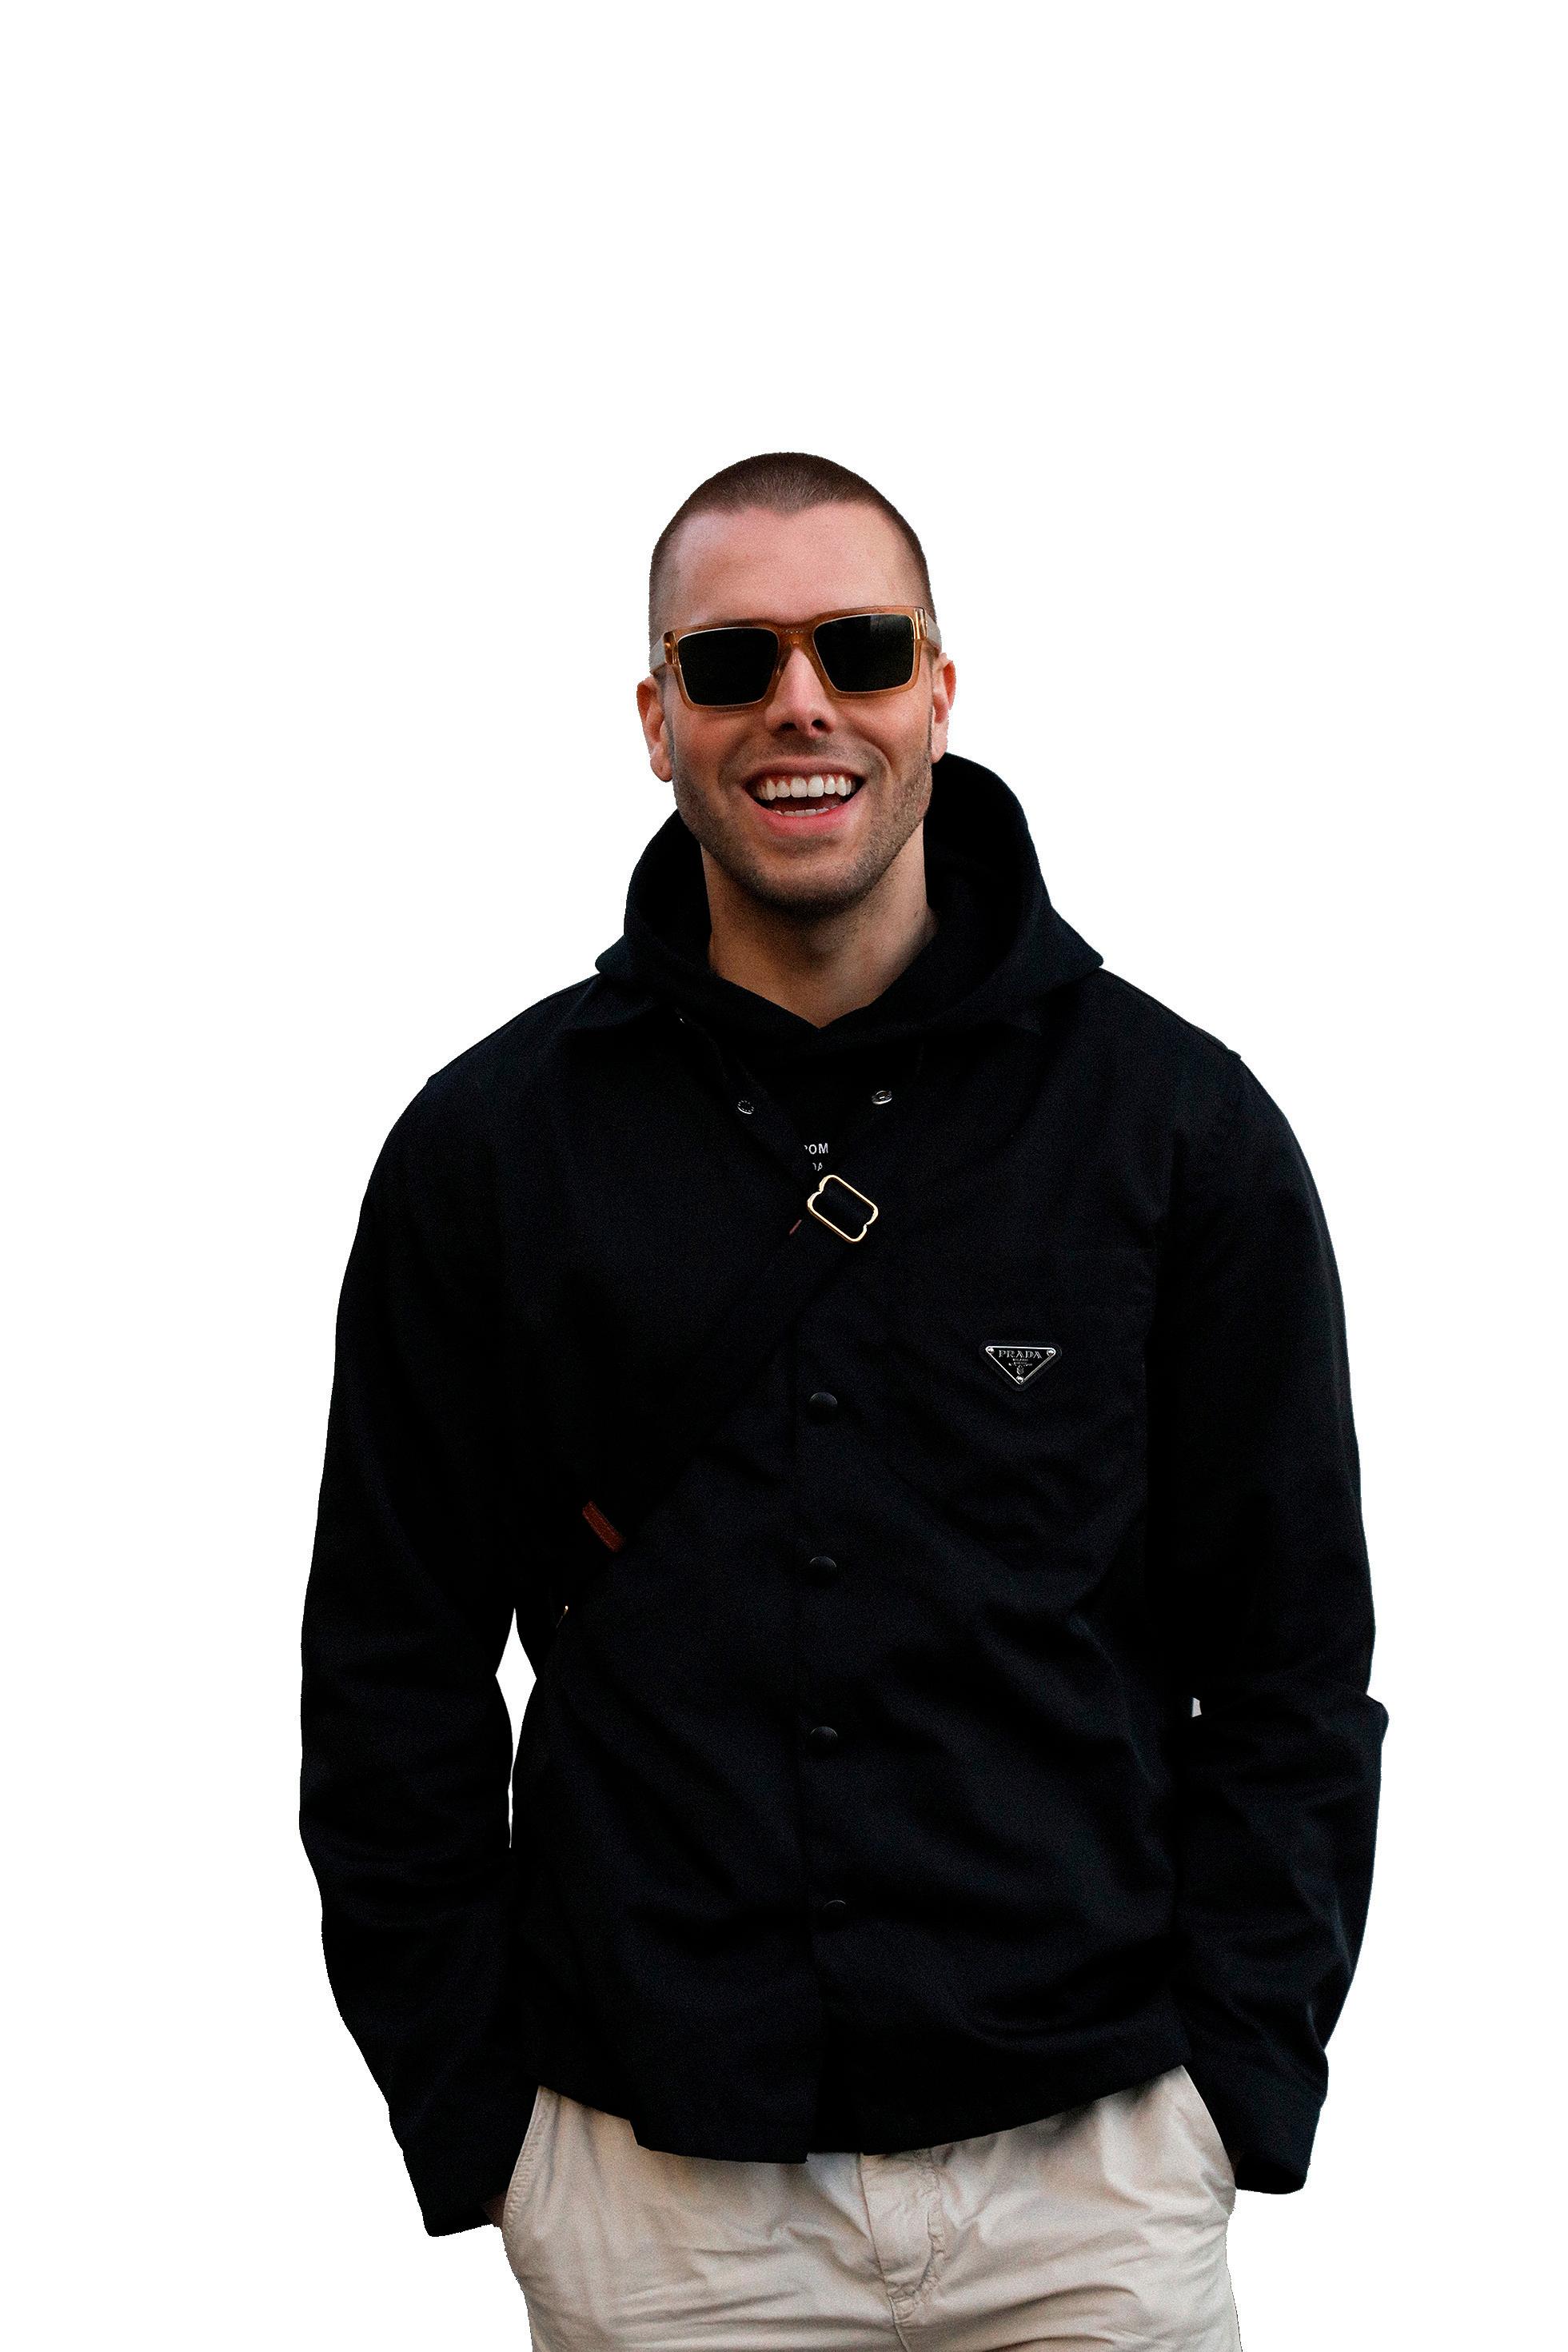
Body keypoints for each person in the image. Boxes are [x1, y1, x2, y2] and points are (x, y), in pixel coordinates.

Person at [300, 451, 1386, 2350]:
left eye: (859, 648)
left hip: (1094, 2192)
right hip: (656, 2209)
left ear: (938, 694)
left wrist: (1235, 2086)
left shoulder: (1177, 1133)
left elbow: (1291, 1657)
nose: (799, 702)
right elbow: (390, 1669)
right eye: (732, 662)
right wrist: (485, 2129)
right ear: (658, 722)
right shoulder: (488, 1156)